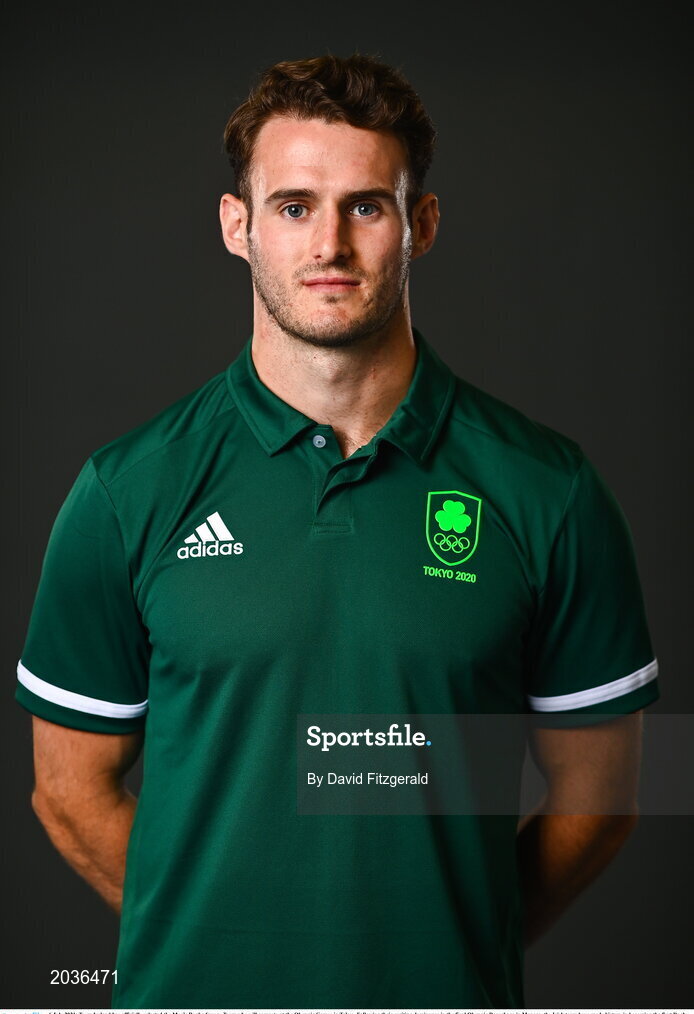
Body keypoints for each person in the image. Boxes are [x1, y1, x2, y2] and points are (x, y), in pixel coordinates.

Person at [16, 53, 660, 1007]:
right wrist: (204, 945)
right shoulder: (126, 490)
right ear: (237, 225)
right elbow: (68, 793)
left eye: (366, 206)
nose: (329, 243)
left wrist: (451, 950)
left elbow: (601, 801)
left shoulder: (549, 491)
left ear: (421, 224)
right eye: (292, 206)